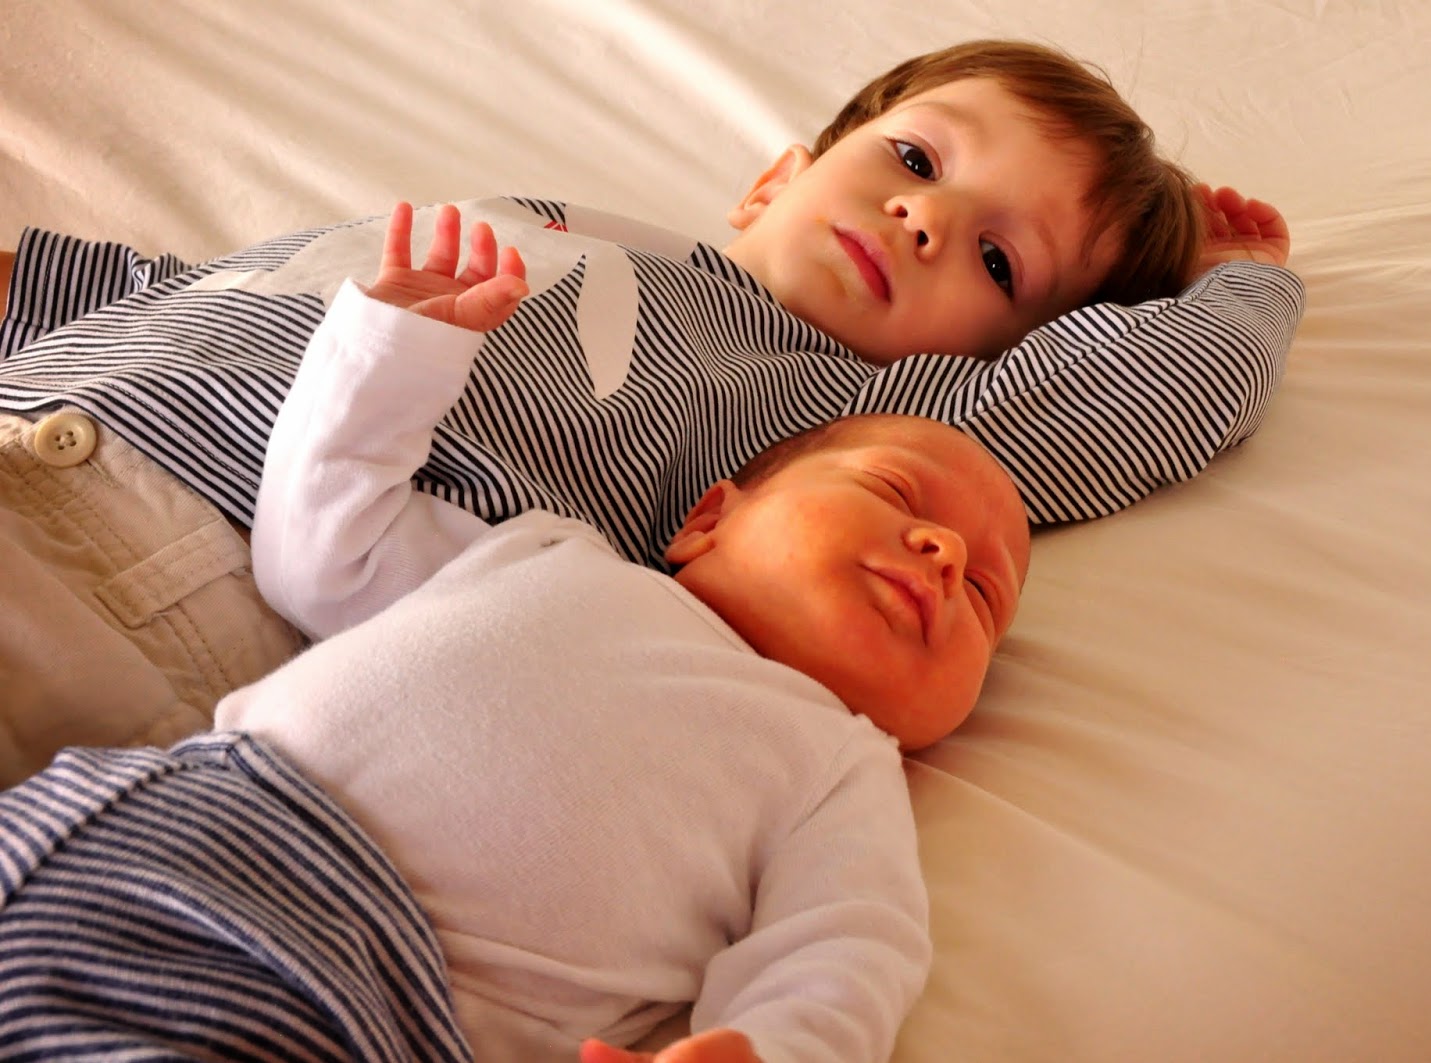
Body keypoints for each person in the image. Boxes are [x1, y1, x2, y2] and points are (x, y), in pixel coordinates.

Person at [0, 39, 1301, 785]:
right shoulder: (562, 221)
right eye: (915, 158)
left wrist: (1245, 283)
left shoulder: (840, 420)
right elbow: (203, 290)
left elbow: (1142, 392)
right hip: (54, 404)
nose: (927, 216)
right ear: (774, 181)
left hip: (196, 563)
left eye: (1000, 262)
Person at [0, 211, 1033, 1062]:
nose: (945, 552)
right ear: (708, 518)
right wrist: (394, 350)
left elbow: (847, 952)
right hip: (159, 815)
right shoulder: (550, 554)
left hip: (356, 993)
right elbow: (318, 553)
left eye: (987, 597)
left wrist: (767, 1047)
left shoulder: (840, 769)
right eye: (895, 493)